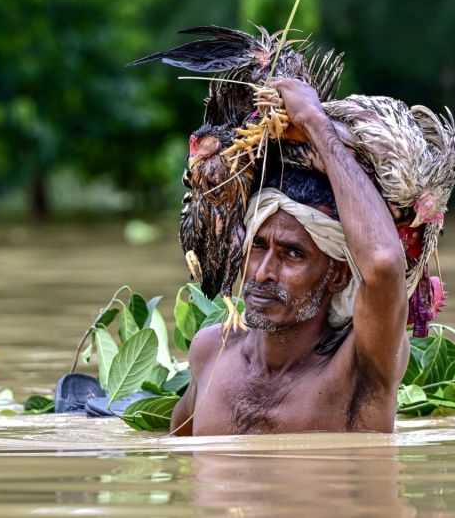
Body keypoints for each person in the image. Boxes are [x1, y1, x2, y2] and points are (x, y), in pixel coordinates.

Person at [171, 79, 409, 435]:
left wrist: (315, 123)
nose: (264, 272)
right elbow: (174, 458)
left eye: (292, 254)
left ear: (339, 275)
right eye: (259, 246)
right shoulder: (211, 352)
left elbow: (384, 264)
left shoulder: (359, 365)